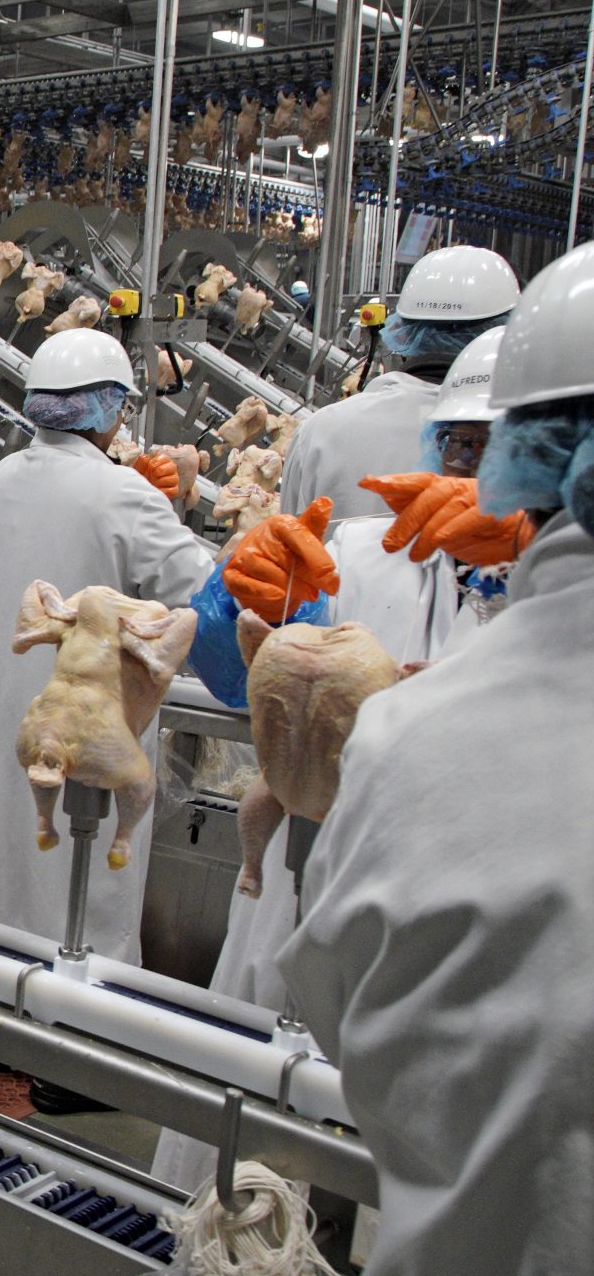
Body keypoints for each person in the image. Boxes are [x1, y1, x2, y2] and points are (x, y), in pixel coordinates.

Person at [277, 241, 594, 1275]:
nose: (458, 477)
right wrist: (247, 615)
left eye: (475, 453)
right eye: (449, 450)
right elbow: (264, 647)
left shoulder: (427, 731)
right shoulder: (362, 545)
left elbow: (335, 992)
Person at [151, 326, 529, 1189]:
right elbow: (238, 676)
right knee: (245, 1163)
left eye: (502, 451)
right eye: (461, 444)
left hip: (453, 935)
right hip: (301, 889)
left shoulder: (560, 605)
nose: (475, 471)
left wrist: (519, 579)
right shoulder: (364, 551)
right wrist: (228, 600)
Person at [0, 329, 330, 1107]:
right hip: (98, 720)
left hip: (12, 708)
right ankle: (80, 1058)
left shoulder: (4, 476)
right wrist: (187, 511)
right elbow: (200, 593)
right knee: (93, 881)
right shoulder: (121, 493)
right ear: (106, 409)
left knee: (9, 860)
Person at [281, 245, 519, 522]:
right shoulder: (517, 439)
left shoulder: (320, 431)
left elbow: (288, 548)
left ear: (402, 332)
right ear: (507, 333)